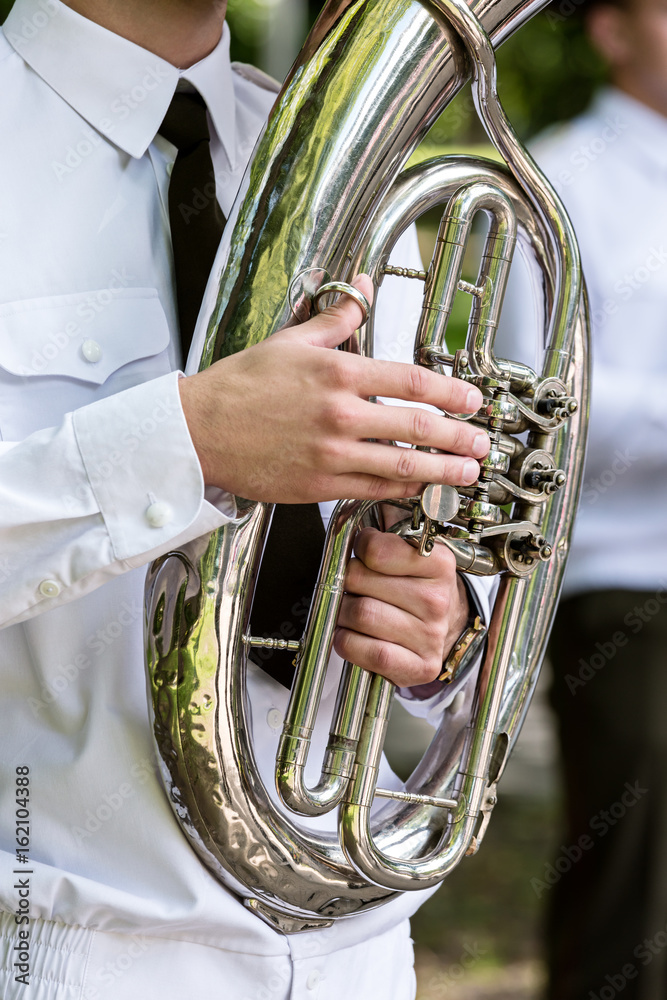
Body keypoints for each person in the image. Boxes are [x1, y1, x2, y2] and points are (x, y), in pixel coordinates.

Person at [0, 1, 494, 997]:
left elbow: (428, 521)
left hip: (357, 952)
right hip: (61, 953)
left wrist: (446, 625)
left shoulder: (344, 158)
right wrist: (191, 443)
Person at [498, 0, 667, 995]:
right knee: (635, 886)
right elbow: (537, 406)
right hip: (626, 581)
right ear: (610, 31)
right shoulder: (559, 179)